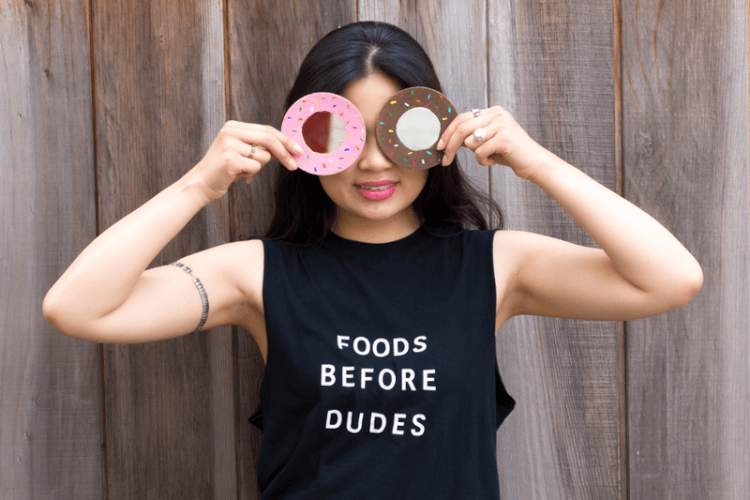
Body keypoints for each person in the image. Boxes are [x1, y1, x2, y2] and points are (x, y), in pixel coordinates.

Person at [43, 21, 702, 499]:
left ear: (435, 133)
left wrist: (536, 162)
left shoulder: (496, 268)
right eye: (342, 134)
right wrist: (200, 184)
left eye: (401, 131)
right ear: (305, 141)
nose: (374, 162)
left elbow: (671, 279)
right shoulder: (258, 273)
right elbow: (76, 307)